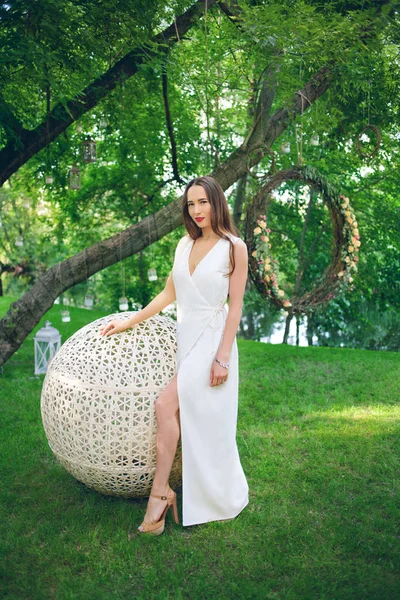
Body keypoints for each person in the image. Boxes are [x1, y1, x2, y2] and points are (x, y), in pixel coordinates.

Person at [99, 175, 249, 535]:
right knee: (180, 412)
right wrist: (129, 321)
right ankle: (166, 492)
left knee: (165, 404)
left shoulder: (234, 247)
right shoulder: (184, 244)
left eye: (203, 202)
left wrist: (223, 356)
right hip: (187, 339)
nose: (197, 211)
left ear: (217, 202)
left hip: (213, 342)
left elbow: (236, 307)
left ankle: (159, 495)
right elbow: (169, 294)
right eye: (190, 204)